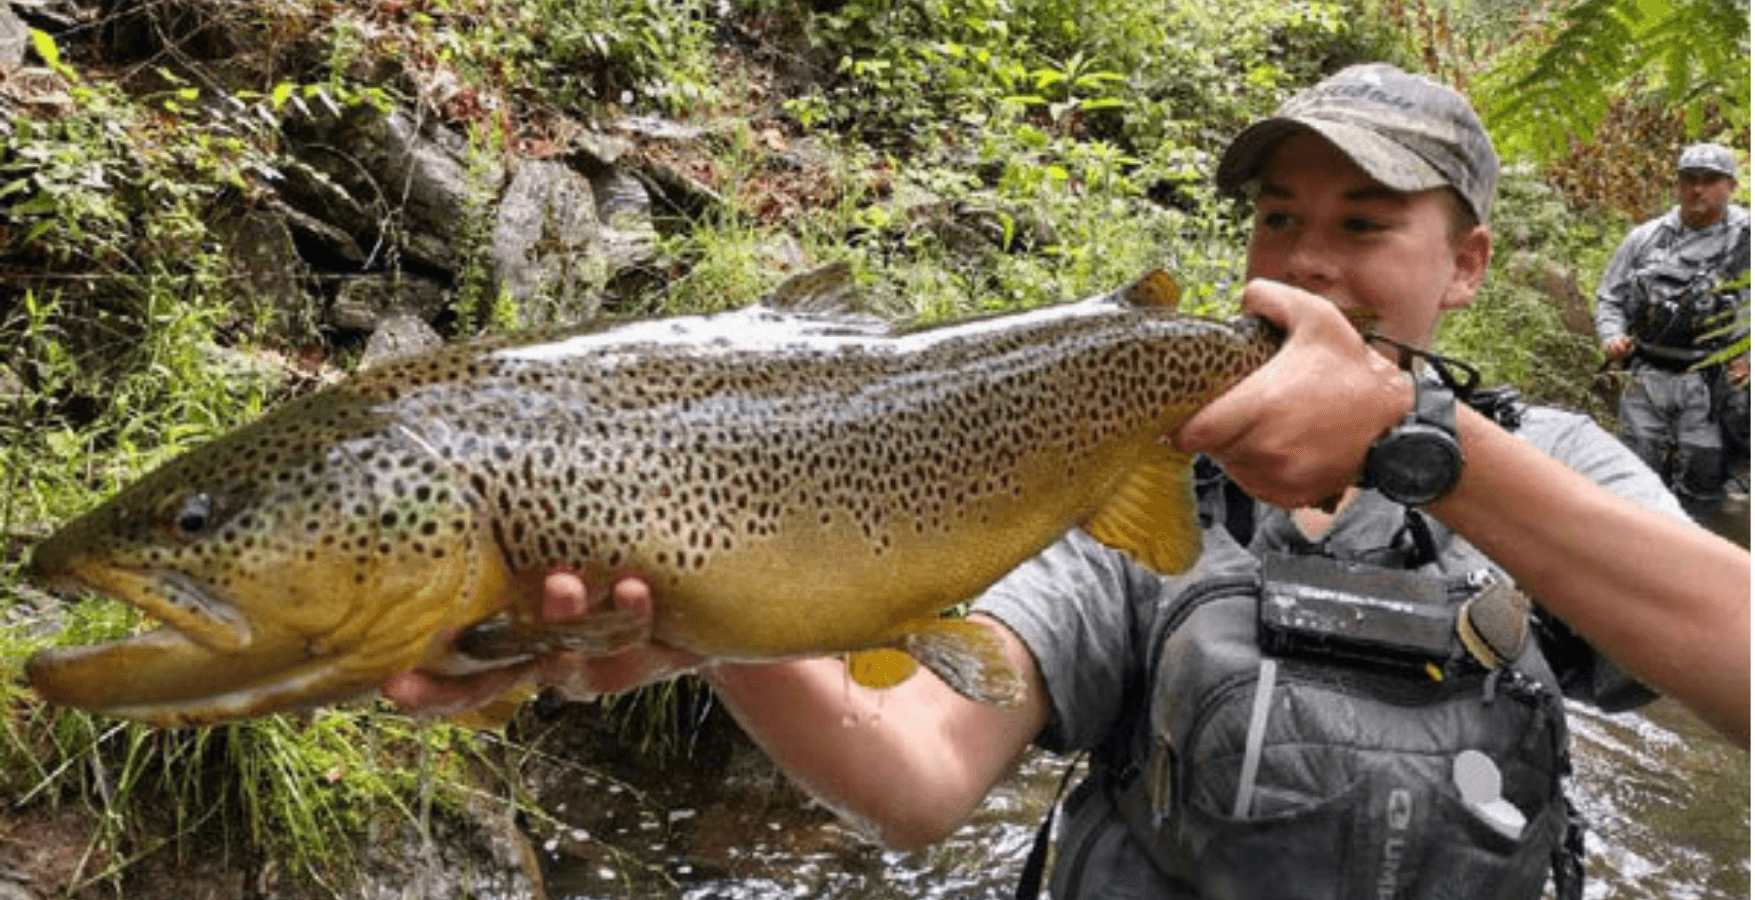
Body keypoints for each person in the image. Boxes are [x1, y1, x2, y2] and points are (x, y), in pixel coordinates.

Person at [384, 65, 1753, 898]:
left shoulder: (1545, 471)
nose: (1304, 261)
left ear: (1465, 265)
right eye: (1276, 217)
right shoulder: (1130, 466)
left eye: (1362, 225)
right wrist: (712, 618)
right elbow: (914, 783)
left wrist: (1421, 441)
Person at [1595, 143, 1752, 521]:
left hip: (1713, 383)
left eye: (1710, 180)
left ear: (1730, 185)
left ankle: (1702, 555)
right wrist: (1612, 335)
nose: (1698, 189)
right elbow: (1609, 297)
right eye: (1689, 180)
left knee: (1705, 476)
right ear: (1677, 185)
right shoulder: (1645, 238)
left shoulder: (1746, 240)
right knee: (1636, 473)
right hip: (1647, 373)